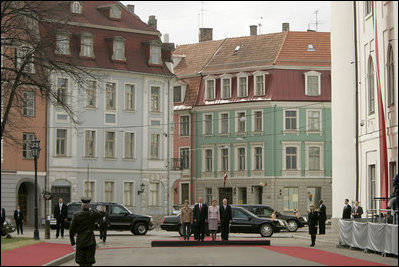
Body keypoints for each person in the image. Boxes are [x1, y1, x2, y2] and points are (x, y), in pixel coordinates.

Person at [70, 197, 105, 266]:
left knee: (81, 262)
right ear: (89, 206)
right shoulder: (92, 214)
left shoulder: (76, 215)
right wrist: (101, 210)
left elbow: (71, 230)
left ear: (82, 206)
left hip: (80, 241)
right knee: (89, 262)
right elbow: (102, 214)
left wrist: (73, 243)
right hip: (90, 241)